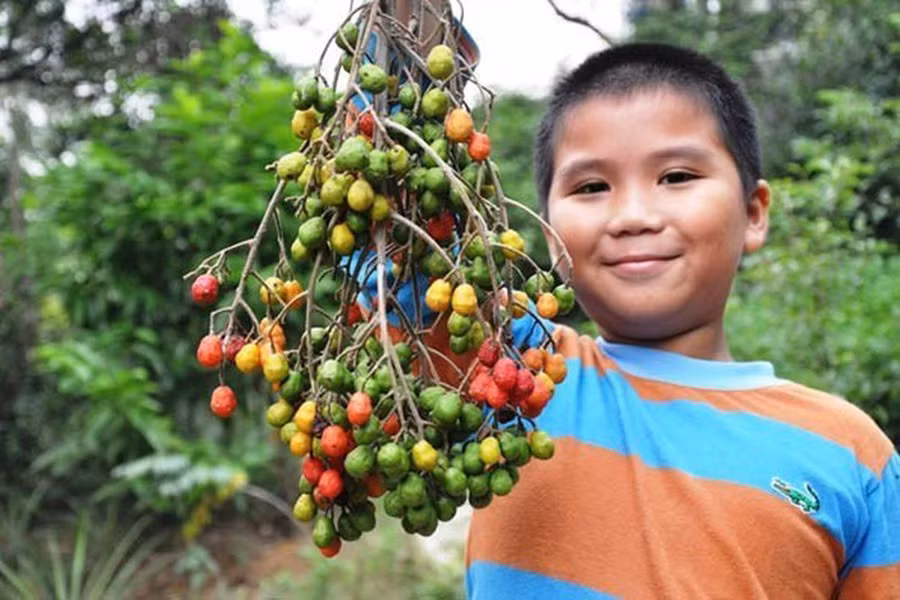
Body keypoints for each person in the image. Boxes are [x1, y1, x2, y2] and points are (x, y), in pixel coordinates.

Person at [462, 42, 900, 598]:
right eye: (592, 187)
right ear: (551, 237)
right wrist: (410, 24)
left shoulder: (852, 453)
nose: (634, 217)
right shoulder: (517, 375)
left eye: (676, 176)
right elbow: (396, 245)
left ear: (753, 213)